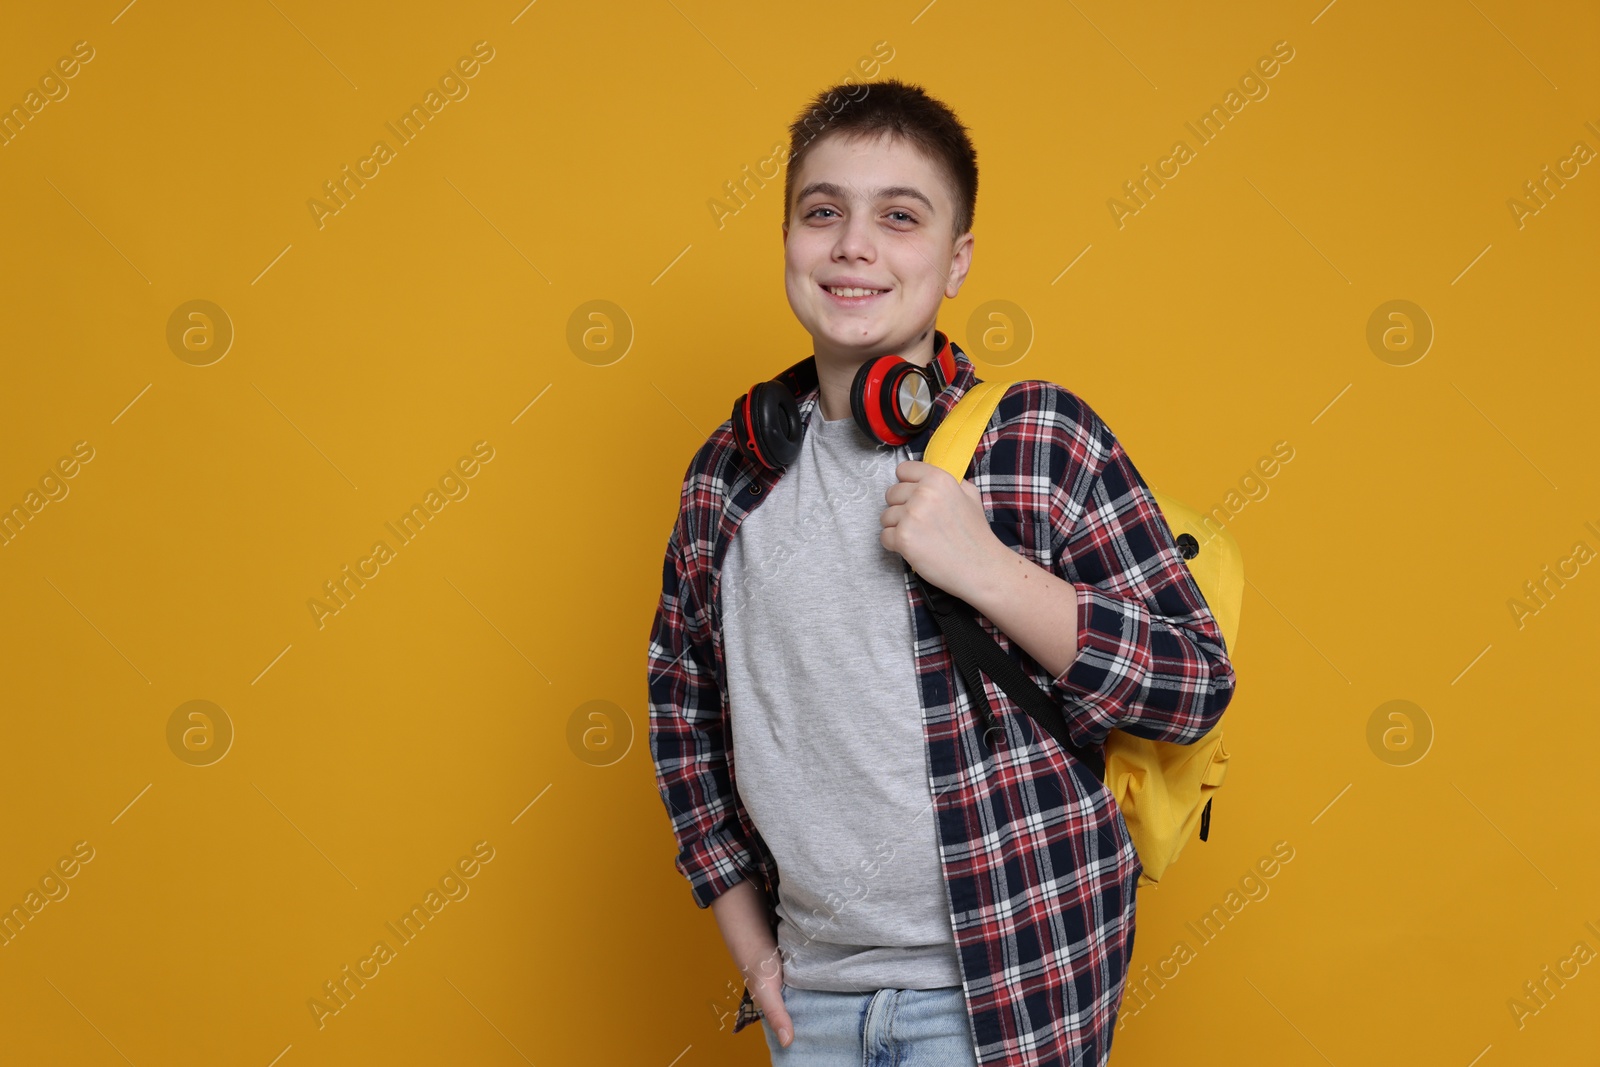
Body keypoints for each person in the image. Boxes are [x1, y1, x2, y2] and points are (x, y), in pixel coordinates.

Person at [647, 78, 1236, 1067]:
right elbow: (682, 718)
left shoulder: (1037, 437)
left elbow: (1193, 684)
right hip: (815, 999)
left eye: (900, 217)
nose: (852, 245)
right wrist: (753, 951)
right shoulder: (728, 475)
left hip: (1003, 988)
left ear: (955, 259)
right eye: (821, 211)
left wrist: (989, 569)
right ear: (788, 238)